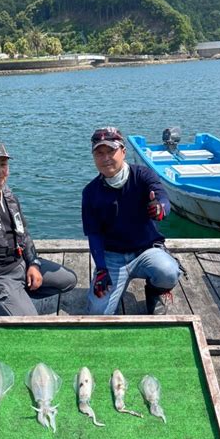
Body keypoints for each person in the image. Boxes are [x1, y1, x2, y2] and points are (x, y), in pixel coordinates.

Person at [0, 140, 77, 316]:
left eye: (3, 164)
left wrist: (33, 264)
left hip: (19, 265)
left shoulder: (10, 197)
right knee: (30, 326)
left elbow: (24, 235)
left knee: (69, 280)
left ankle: (13, 299)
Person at [82, 127, 181, 315]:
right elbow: (93, 234)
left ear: (123, 152)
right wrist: (101, 268)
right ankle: (111, 292)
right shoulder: (90, 192)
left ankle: (155, 290)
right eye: (99, 153)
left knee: (168, 272)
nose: (105, 158)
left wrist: (160, 207)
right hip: (112, 257)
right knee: (97, 313)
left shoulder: (143, 175)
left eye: (111, 151)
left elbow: (162, 197)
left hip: (146, 250)